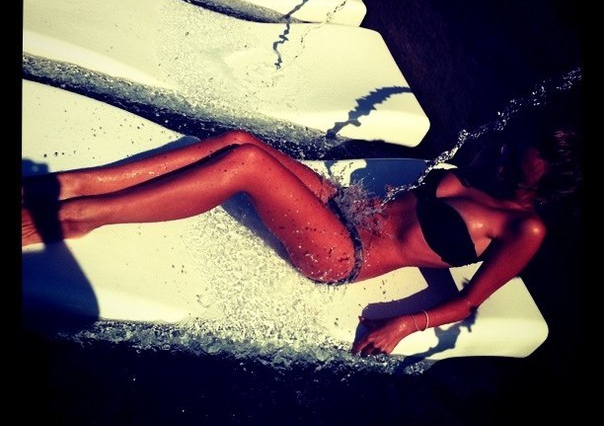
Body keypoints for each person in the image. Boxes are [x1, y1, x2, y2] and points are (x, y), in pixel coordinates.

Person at [21, 114, 581, 356]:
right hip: (343, 205)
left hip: (344, 253)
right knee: (241, 139)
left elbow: (468, 302)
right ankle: (74, 184)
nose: (500, 162)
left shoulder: (524, 229)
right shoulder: (489, 167)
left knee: (245, 165)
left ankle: (83, 215)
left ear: (545, 185)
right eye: (509, 152)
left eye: (515, 170)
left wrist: (405, 324)